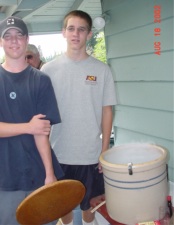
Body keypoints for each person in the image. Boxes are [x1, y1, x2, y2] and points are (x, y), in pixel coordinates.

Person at [41, 10, 116, 225]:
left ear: (89, 34)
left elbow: (107, 110)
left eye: (81, 29)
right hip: (58, 154)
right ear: (63, 32)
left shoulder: (102, 71)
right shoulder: (48, 70)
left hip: (90, 155)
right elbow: (43, 117)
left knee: (89, 207)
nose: (76, 34)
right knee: (64, 208)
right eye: (71, 28)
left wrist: (104, 150)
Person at [0, 16, 64, 225]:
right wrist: (28, 126)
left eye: (19, 35)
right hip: (5, 177)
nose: (14, 41)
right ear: (1, 41)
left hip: (38, 173)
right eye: (7, 36)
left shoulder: (40, 80)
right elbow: (34, 127)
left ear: (27, 39)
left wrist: (50, 174)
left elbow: (41, 132)